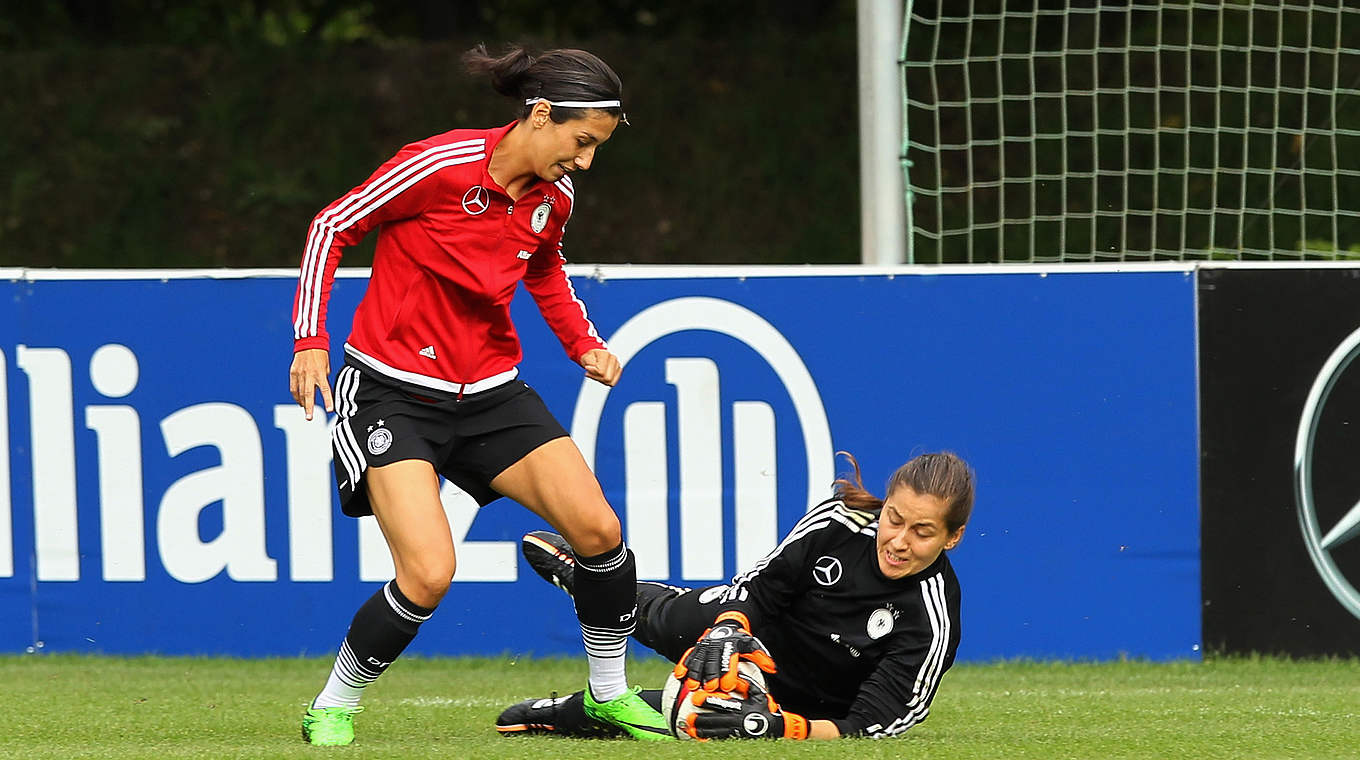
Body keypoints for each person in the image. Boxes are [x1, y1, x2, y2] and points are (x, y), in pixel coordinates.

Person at [288, 44, 670, 745]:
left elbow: (546, 268)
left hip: (492, 394)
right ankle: (334, 703)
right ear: (541, 114)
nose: (585, 161)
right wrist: (309, 337)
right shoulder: (436, 166)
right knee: (429, 573)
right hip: (392, 393)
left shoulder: (556, 197)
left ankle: (608, 695)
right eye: (580, 142)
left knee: (599, 533)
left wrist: (581, 343)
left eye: (596, 149)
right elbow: (331, 226)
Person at [497, 451, 975, 740]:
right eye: (894, 518)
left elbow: (875, 724)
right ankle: (588, 580)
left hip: (805, 709)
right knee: (670, 621)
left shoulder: (933, 617)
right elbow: (760, 591)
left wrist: (786, 729)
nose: (898, 540)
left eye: (922, 531)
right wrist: (729, 630)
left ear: (952, 538)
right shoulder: (836, 525)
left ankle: (567, 713)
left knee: (678, 717)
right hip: (757, 637)